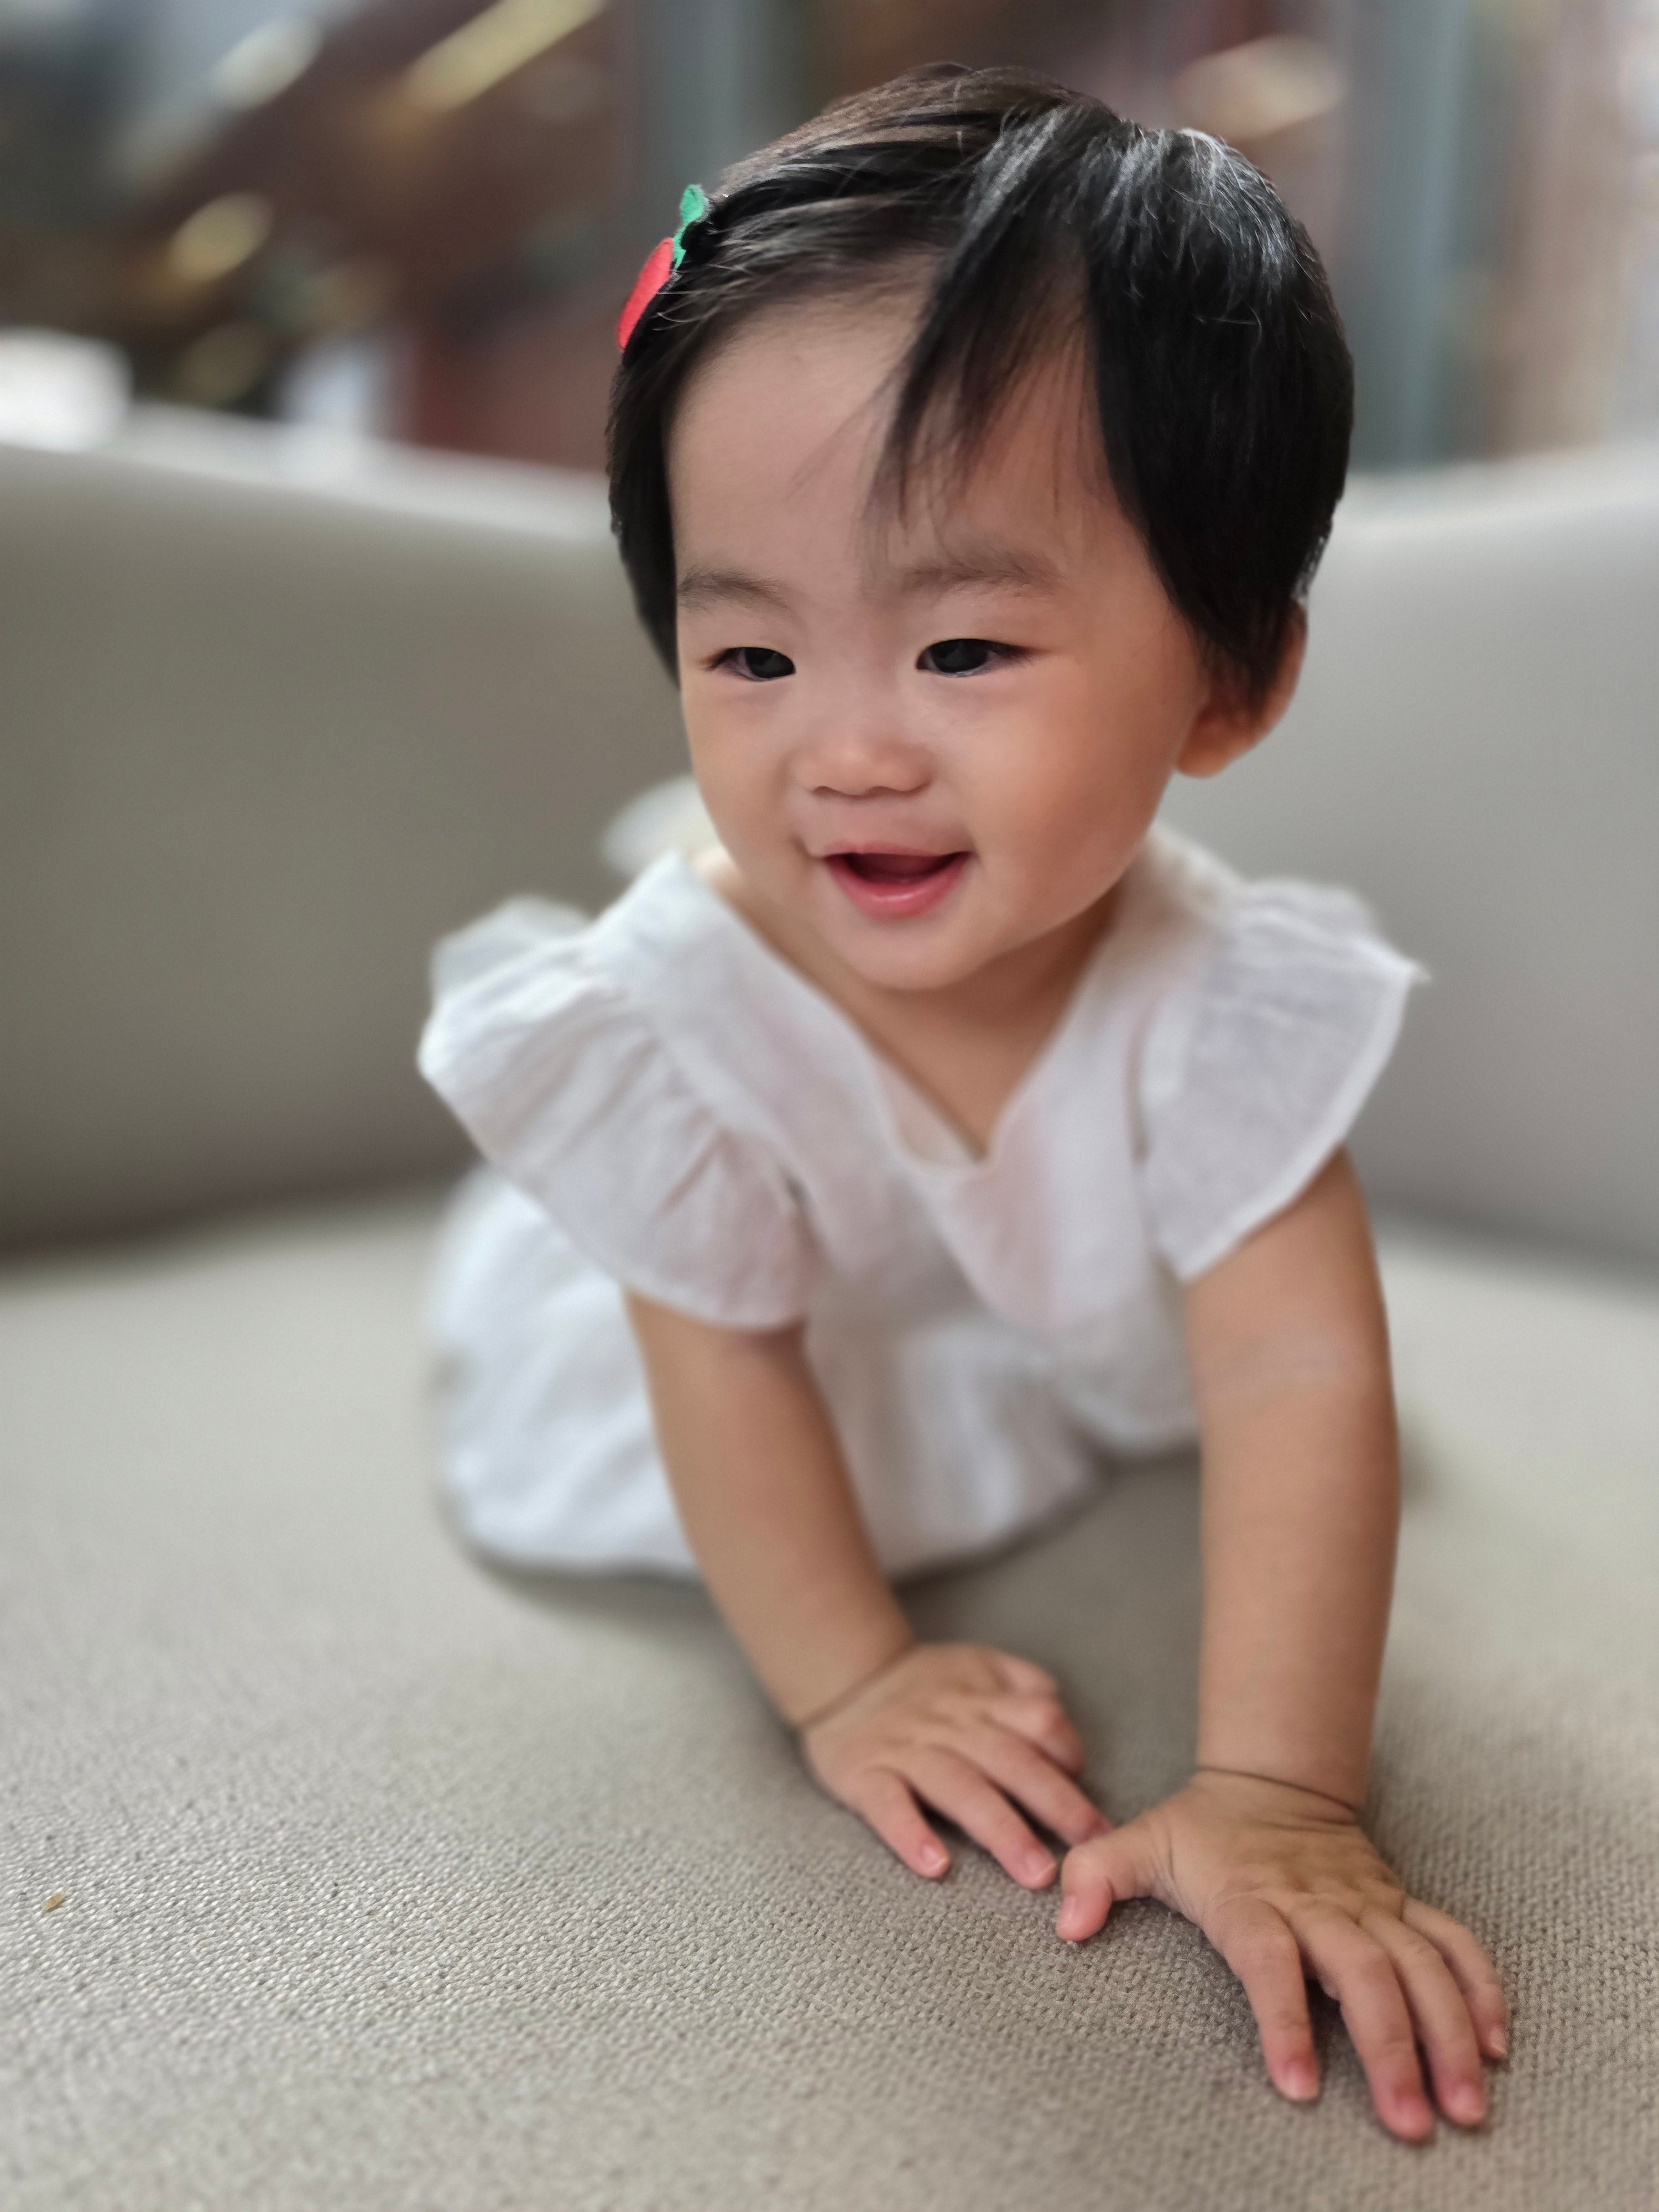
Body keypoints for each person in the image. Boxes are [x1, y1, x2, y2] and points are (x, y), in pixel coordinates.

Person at [418, 65, 1507, 2140]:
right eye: (753, 662)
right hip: (764, 1316)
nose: (847, 756)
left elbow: (1298, 1371)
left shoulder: (1222, 997)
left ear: (1231, 680)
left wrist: (1282, 1794)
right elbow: (726, 1360)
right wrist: (853, 1680)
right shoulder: (678, 1027)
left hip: (994, 1289)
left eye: (964, 651)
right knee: (704, 1311)